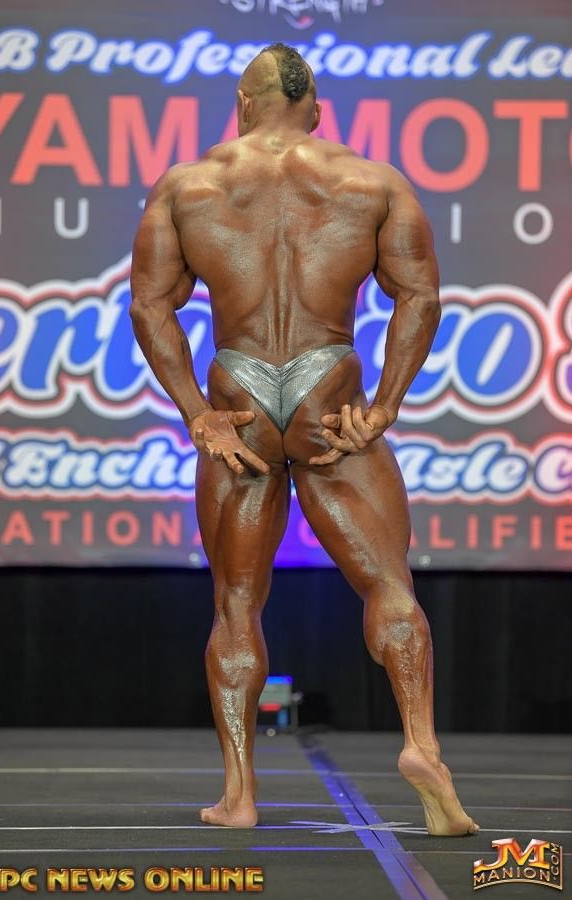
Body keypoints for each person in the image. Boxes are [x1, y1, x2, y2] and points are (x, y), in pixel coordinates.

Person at [130, 43, 479, 836]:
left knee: (237, 602)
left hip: (241, 394)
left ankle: (239, 796)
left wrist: (198, 413)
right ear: (316, 109)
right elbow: (420, 297)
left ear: (242, 104)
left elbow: (151, 306)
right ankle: (421, 745)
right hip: (329, 389)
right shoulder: (373, 182)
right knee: (389, 586)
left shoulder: (187, 185)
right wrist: (383, 406)